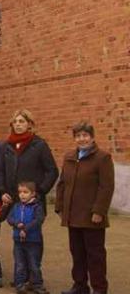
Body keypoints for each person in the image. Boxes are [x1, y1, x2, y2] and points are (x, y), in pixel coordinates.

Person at [55, 123, 115, 294]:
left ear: (92, 137)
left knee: (95, 255)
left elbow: (106, 187)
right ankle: (80, 286)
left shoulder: (102, 158)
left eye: (85, 135)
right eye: (78, 136)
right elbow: (62, 184)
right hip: (72, 215)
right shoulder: (69, 157)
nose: (82, 139)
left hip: (92, 216)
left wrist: (99, 211)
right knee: (77, 253)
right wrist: (60, 207)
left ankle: (99, 289)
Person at [0, 110, 58, 215]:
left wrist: (39, 191)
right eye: (15, 122)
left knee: (32, 230)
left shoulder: (39, 145)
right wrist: (2, 191)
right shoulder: (6, 146)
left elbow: (52, 171)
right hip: (12, 199)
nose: (18, 124)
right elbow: (0, 171)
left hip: (33, 201)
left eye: (21, 121)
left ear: (29, 124)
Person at [5, 182, 46, 294]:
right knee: (19, 263)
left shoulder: (37, 207)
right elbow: (9, 218)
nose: (22, 195)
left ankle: (37, 284)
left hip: (33, 240)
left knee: (34, 264)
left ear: (33, 194)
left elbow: (39, 220)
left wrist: (26, 229)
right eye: (20, 192)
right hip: (18, 241)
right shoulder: (16, 206)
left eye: (25, 192)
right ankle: (20, 284)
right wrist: (17, 224)